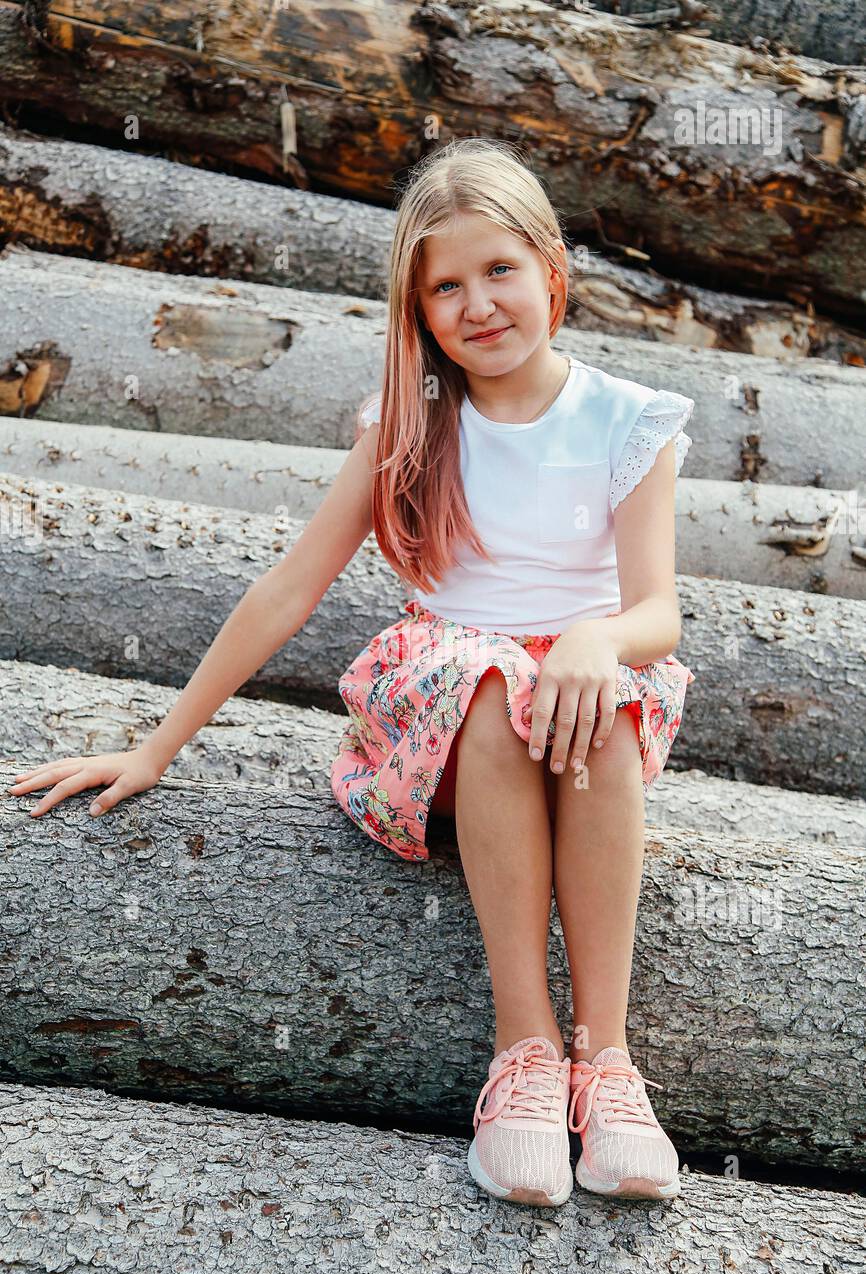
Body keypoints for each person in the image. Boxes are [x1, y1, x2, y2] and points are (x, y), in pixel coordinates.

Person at [8, 137, 696, 1210]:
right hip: (444, 721)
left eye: (499, 270)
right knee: (485, 683)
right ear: (418, 313)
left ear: (551, 272)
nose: (477, 303)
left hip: (579, 707)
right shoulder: (411, 429)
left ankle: (602, 1064)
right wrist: (157, 743)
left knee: (590, 696)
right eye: (445, 287)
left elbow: (656, 609)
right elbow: (290, 588)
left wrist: (594, 639)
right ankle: (521, 1052)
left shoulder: (625, 420)